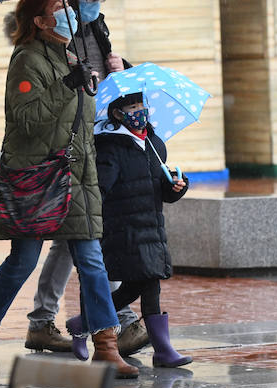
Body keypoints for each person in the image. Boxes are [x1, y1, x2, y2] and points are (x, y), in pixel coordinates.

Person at [0, 0, 139, 379]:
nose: (70, 14)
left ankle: (106, 346)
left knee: (92, 261)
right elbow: (26, 120)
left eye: (68, 7)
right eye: (60, 8)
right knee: (22, 262)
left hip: (77, 177)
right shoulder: (27, 60)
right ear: (40, 22)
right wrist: (66, 85)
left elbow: (80, 123)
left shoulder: (72, 56)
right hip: (39, 178)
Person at [22, 0, 150, 358]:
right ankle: (115, 323)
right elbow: (36, 107)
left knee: (76, 236)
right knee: (84, 234)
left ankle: (45, 321)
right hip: (71, 146)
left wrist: (121, 68)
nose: (95, 0)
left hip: (97, 137)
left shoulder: (97, 27)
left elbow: (108, 88)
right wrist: (73, 79)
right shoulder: (47, 46)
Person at [67, 91, 192, 368]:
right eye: (132, 107)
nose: (140, 111)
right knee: (149, 282)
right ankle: (162, 349)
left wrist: (176, 186)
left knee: (138, 284)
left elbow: (162, 191)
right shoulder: (111, 147)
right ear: (117, 114)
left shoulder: (155, 144)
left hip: (151, 227)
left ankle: (83, 322)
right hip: (124, 228)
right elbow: (100, 189)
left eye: (142, 105)